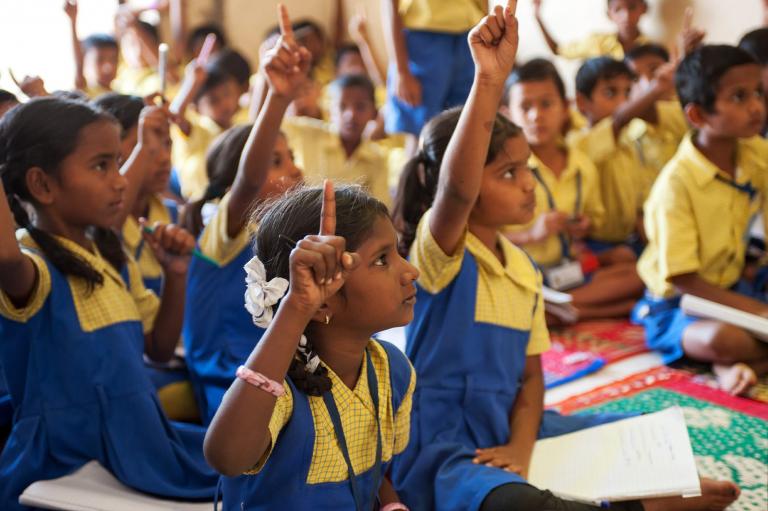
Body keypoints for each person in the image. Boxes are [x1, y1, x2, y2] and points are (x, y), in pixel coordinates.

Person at [390, 4, 739, 510]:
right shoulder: (442, 252)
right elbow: (456, 194)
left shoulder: (524, 270)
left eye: (527, 169)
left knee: (647, 435)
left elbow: (532, 378)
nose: (529, 183)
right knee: (513, 502)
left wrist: (521, 446)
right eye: (508, 173)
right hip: (444, 447)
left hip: (512, 432)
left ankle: (630, 494)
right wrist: (489, 81)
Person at [0, 97, 218, 509]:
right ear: (42, 185)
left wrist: (176, 275)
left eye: (119, 163)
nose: (120, 181)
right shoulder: (35, 262)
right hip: (63, 467)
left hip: (139, 443)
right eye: (102, 166)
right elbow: (5, 256)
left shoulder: (108, 255)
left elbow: (157, 344)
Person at [180, 8, 305, 424]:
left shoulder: (279, 236)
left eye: (291, 158)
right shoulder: (224, 230)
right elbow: (249, 183)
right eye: (276, 160)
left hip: (277, 382)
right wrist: (278, 96)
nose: (294, 170)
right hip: (230, 391)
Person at [634, 45, 768, 396]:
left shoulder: (755, 153)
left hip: (735, 286)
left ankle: (737, 367)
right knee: (723, 339)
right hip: (681, 303)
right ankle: (734, 359)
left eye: (758, 93)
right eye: (739, 97)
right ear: (697, 116)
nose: (756, 106)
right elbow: (684, 280)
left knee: (743, 332)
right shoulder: (675, 185)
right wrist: (758, 312)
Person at [505, 58, 643, 321]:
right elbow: (477, 242)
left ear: (566, 107)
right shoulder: (504, 170)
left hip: (564, 271)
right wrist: (531, 235)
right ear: (507, 113)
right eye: (525, 107)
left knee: (637, 272)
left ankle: (560, 310)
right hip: (519, 273)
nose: (537, 115)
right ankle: (565, 310)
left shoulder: (581, 165)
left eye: (546, 104)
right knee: (628, 297)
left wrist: (582, 226)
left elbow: (591, 224)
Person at [569, 55, 675, 249]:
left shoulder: (629, 143)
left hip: (628, 239)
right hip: (593, 243)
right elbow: (618, 119)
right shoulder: (578, 143)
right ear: (582, 102)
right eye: (610, 93)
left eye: (627, 92)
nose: (622, 101)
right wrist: (655, 90)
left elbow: (637, 208)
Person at [282, 73, 391, 207]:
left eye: (360, 107)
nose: (350, 114)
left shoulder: (377, 159)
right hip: (304, 218)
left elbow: (380, 208)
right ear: (329, 111)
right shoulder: (309, 133)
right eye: (342, 106)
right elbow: (265, 126)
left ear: (374, 113)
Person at [382, 0, 485, 138]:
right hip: (424, 39)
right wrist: (402, 70)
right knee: (420, 132)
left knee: (465, 128)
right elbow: (389, 5)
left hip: (469, 36)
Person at [534, 0, 651, 60]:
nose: (626, 15)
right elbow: (558, 50)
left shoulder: (651, 49)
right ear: (609, 14)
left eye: (632, 7)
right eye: (618, 10)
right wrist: (538, 17)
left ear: (644, 8)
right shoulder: (597, 42)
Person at [64, 0, 119, 97]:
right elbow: (79, 67)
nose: (108, 67)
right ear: (84, 58)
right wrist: (73, 21)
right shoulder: (84, 91)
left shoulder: (119, 94)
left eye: (113, 60)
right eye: (99, 60)